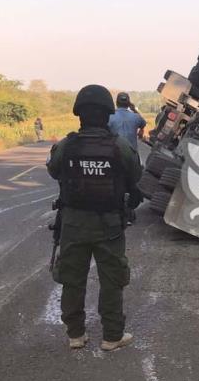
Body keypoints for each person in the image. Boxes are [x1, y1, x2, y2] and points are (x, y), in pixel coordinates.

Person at [46, 85, 143, 351]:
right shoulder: (119, 147)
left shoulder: (66, 145)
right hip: (109, 225)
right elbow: (135, 176)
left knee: (72, 279)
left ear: (79, 115)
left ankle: (76, 335)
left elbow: (54, 172)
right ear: (107, 115)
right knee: (112, 280)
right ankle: (112, 336)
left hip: (74, 223)